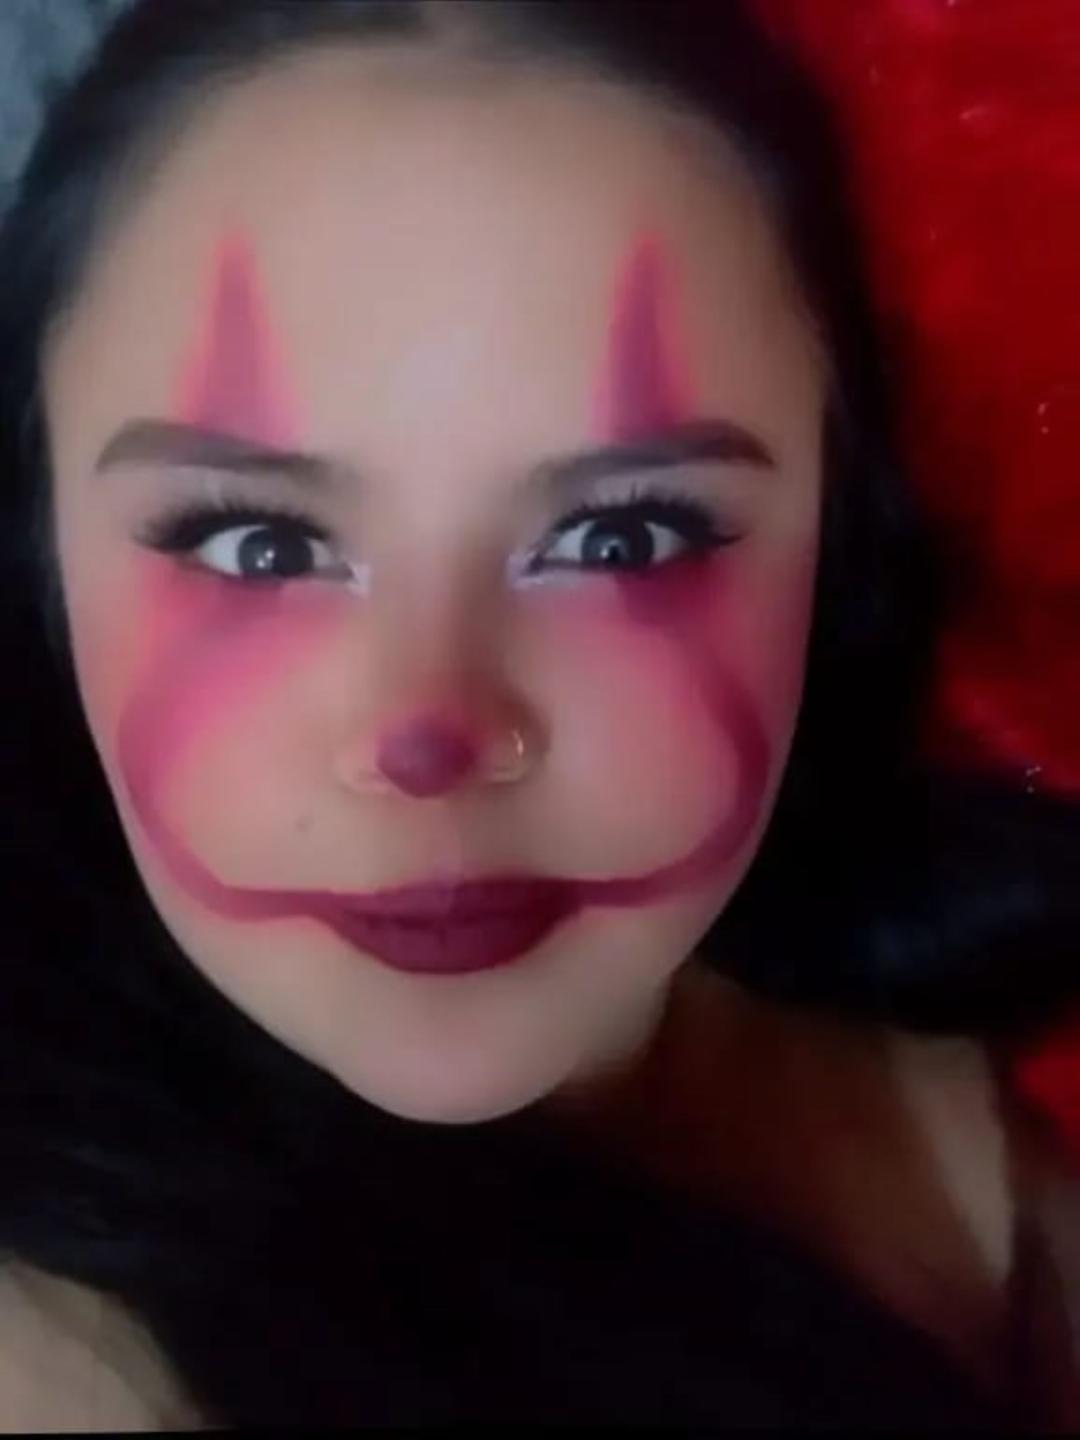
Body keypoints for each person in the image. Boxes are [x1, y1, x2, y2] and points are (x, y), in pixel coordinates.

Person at [0, 0, 1074, 1426]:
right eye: (256, 545)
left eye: (620, 538)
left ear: (838, 528)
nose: (429, 736)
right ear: (38, 545)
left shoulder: (969, 1084)